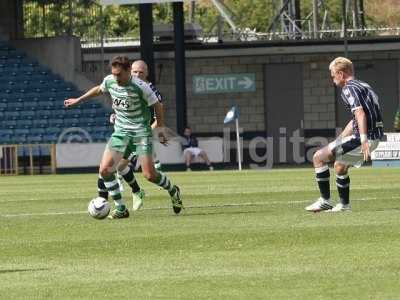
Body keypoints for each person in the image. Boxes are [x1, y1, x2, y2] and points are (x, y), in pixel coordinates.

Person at [65, 55, 183, 219]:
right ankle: (121, 208)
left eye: (119, 74)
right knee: (105, 170)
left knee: (149, 175)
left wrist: (160, 130)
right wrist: (78, 100)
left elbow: (158, 106)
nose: (116, 78)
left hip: (141, 134)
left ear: (128, 72)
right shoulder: (110, 81)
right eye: (114, 74)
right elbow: (99, 89)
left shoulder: (141, 87)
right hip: (120, 133)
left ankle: (173, 190)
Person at [305, 57, 384, 212]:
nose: (333, 80)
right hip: (375, 137)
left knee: (318, 157)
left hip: (363, 137)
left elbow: (360, 114)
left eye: (333, 76)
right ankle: (344, 205)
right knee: (340, 166)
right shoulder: (364, 85)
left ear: (341, 74)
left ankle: (325, 201)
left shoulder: (348, 88)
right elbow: (356, 118)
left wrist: (363, 139)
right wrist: (339, 140)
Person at [97, 60, 163, 211]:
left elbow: (158, 113)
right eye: (135, 72)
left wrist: (154, 131)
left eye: (141, 72)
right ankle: (113, 199)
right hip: (123, 132)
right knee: (108, 168)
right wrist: (115, 116)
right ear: (129, 72)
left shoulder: (149, 90)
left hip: (141, 134)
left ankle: (132, 193)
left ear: (146, 73)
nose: (137, 74)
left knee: (117, 166)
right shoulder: (120, 84)